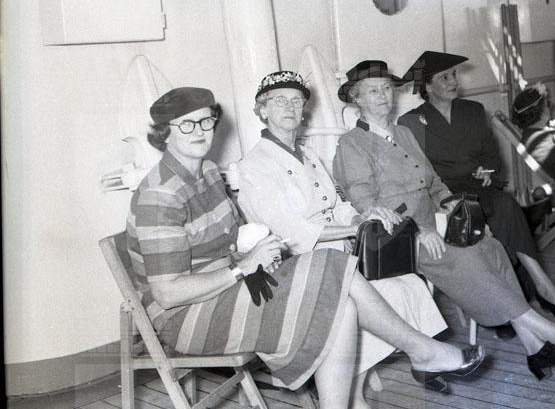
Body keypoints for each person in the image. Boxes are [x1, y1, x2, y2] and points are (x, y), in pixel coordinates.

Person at [127, 86, 487, 408]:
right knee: (333, 273)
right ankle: (423, 352)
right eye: (186, 125)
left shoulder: (206, 171)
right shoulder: (161, 195)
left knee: (342, 306)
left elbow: (232, 237)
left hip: (229, 287)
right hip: (188, 317)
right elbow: (168, 294)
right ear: (163, 133)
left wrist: (253, 250)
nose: (199, 131)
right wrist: (242, 266)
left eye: (206, 121)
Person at [333, 61, 555, 380]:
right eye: (373, 91)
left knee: (491, 247)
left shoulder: (403, 133)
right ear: (357, 99)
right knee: (467, 258)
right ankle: (554, 333)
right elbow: (366, 203)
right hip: (400, 237)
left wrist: (457, 209)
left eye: (387, 89)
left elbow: (434, 183)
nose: (383, 96)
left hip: (435, 221)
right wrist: (416, 231)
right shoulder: (351, 143)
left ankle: (535, 348)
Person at [237, 71, 450, 403]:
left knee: (406, 284)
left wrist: (362, 216)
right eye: (279, 101)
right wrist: (356, 228)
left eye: (296, 101)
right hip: (293, 264)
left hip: (337, 254)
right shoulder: (255, 164)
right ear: (262, 110)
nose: (290, 107)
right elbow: (291, 233)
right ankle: (356, 395)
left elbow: (336, 205)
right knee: (374, 296)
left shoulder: (307, 154)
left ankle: (357, 389)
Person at [398, 51, 555, 322]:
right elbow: (415, 172)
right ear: (427, 86)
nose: (453, 81)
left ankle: (537, 287)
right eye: (444, 77)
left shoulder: (473, 111)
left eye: (454, 74)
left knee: (505, 205)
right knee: (488, 216)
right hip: (443, 195)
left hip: (477, 187)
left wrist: (488, 171)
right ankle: (512, 299)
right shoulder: (411, 122)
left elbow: (492, 156)